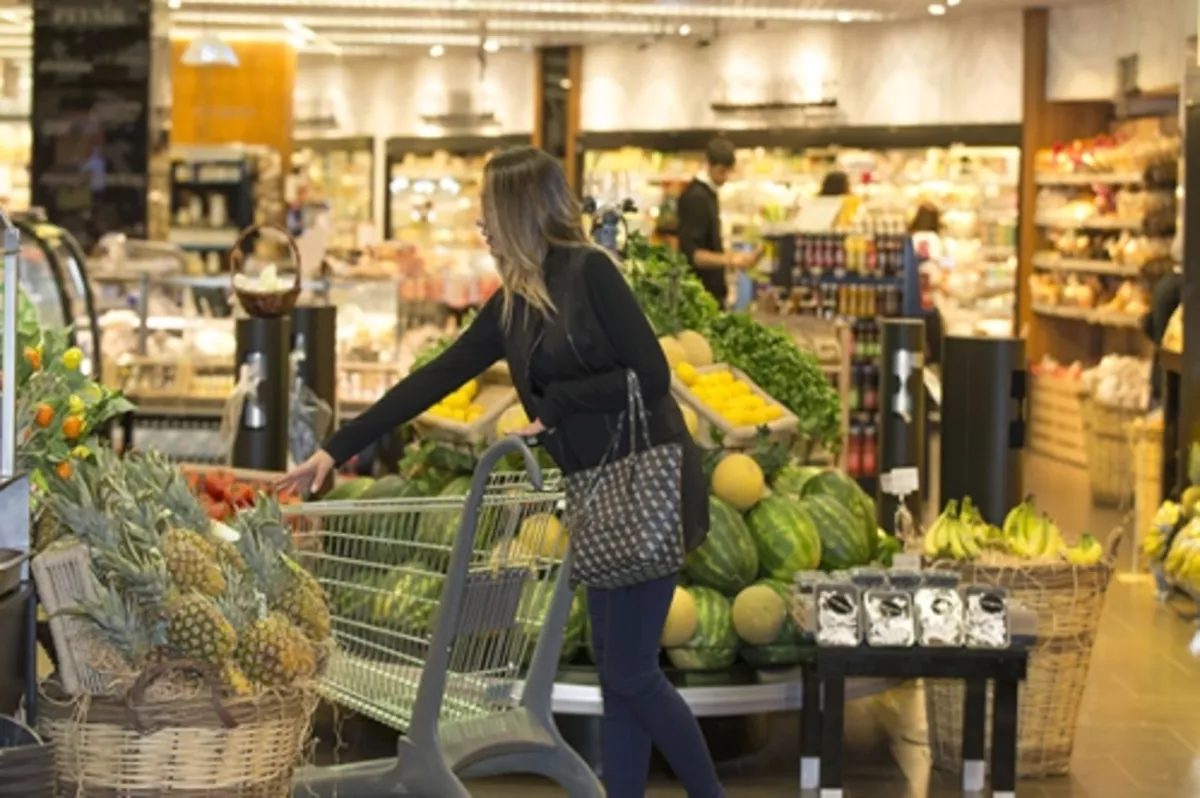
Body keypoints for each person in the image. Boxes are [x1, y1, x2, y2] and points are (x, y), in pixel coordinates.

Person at [277, 146, 724, 798]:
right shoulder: (513, 303)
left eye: (488, 210)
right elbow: (433, 378)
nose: (480, 223)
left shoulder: (591, 272)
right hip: (597, 491)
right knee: (618, 673)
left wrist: (559, 406)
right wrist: (334, 448)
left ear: (518, 211)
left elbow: (653, 376)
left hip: (651, 482)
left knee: (632, 676)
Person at [676, 136, 760, 308]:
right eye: (722, 171)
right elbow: (693, 254)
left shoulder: (708, 193)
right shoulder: (696, 198)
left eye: (728, 171)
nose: (725, 178)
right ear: (708, 164)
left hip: (707, 295)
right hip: (699, 297)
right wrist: (731, 260)